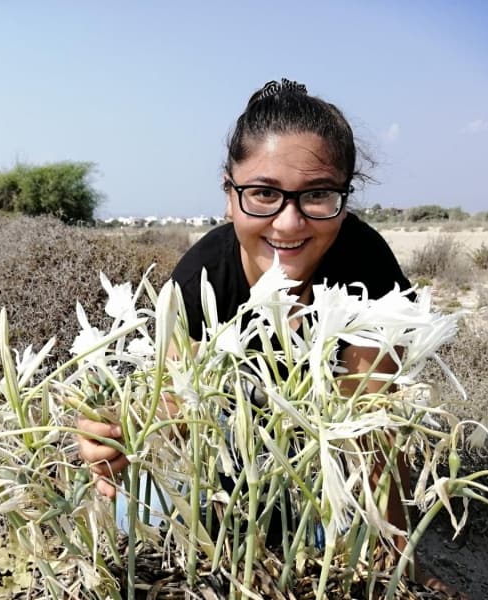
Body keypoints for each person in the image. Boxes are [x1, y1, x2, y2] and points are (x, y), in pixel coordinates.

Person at [78, 78, 461, 597]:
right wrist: (117, 439)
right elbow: (175, 413)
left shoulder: (369, 271)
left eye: (318, 194)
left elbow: (373, 433)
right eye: (263, 193)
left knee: (337, 544)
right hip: (226, 458)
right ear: (229, 195)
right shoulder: (199, 280)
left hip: (318, 466)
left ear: (344, 196)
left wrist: (394, 558)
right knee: (137, 510)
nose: (288, 223)